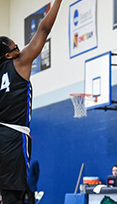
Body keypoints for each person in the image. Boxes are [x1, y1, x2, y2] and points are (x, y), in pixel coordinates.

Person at [0, 1, 62, 203]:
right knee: (13, 197)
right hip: (13, 138)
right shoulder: (19, 63)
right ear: (8, 55)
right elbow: (43, 30)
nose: (21, 48)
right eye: (16, 47)